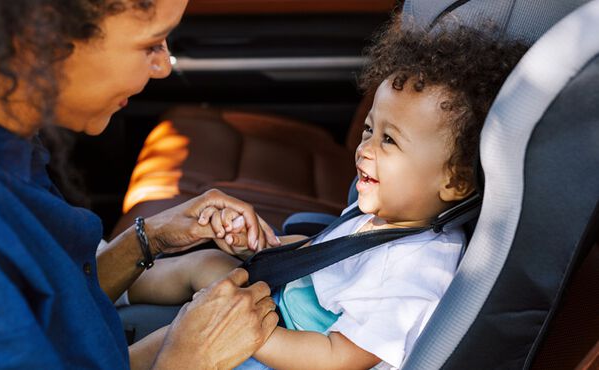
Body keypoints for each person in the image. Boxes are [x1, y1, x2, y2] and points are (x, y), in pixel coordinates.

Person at [126, 19, 529, 369]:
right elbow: (330, 256)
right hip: (285, 317)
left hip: (294, 353)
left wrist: (250, 335)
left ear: (455, 182)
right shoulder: (386, 211)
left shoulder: (419, 271)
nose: (365, 147)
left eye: (389, 140)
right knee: (210, 263)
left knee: (187, 335)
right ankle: (111, 290)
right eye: (370, 129)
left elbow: (338, 357)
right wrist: (269, 247)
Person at [0, 0, 282, 369]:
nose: (162, 68)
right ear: (40, 37)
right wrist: (189, 359)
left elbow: (57, 309)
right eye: (151, 45)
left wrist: (147, 240)